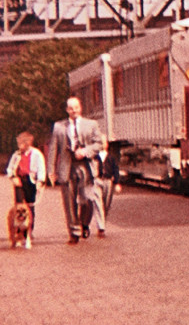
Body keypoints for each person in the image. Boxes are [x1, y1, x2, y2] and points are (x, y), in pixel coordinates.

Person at [47, 96, 104, 244]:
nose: (74, 111)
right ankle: (74, 232)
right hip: (67, 167)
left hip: (85, 166)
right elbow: (53, 149)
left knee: (88, 199)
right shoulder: (59, 127)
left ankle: (84, 223)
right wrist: (50, 170)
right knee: (69, 201)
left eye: (76, 107)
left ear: (81, 108)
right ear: (67, 110)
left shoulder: (91, 124)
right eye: (71, 108)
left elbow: (99, 144)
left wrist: (85, 151)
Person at [6, 131, 46, 235]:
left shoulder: (36, 154)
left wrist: (40, 181)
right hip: (19, 180)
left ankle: (28, 230)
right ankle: (18, 229)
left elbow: (41, 169)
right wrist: (13, 177)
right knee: (19, 205)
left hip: (30, 181)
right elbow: (10, 168)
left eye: (21, 144)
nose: (19, 146)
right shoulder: (17, 154)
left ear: (27, 143)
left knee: (29, 206)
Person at [95, 134, 121, 222]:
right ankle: (100, 223)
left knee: (106, 202)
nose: (103, 144)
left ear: (107, 144)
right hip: (98, 180)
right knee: (98, 202)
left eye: (104, 142)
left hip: (108, 181)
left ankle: (103, 219)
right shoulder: (95, 157)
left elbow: (116, 170)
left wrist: (117, 183)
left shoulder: (111, 157)